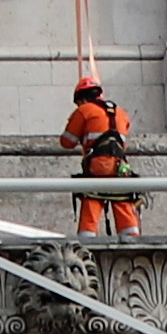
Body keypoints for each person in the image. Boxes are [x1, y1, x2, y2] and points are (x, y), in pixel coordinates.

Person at [60, 76, 139, 238]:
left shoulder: (84, 110)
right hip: (120, 165)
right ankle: (132, 240)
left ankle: (87, 241)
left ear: (80, 99)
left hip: (99, 164)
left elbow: (66, 142)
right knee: (122, 198)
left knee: (92, 198)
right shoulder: (120, 113)